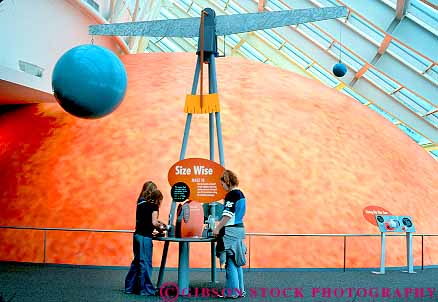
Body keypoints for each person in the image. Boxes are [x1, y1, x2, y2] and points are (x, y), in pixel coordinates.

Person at [125, 181, 166, 296]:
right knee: (145, 264)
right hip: (144, 238)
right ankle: (146, 290)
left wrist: (155, 225)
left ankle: (130, 287)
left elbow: (145, 221)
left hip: (137, 235)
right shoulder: (154, 206)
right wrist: (162, 227)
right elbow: (153, 222)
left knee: (137, 262)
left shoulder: (140, 203)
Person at [213, 170, 247, 298]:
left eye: (222, 184)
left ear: (227, 182)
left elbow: (228, 215)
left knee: (230, 262)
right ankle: (240, 291)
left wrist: (217, 228)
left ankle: (232, 292)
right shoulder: (241, 194)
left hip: (230, 231)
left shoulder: (231, 195)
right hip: (239, 229)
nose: (222, 187)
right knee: (237, 261)